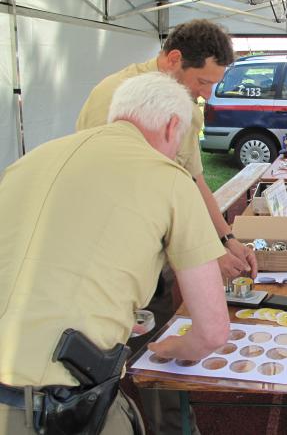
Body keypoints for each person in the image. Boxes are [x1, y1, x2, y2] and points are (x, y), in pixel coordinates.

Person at [0, 72, 230, 434]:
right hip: (63, 407)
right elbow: (213, 332)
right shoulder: (168, 177)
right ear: (173, 127)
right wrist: (168, 348)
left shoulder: (28, 161)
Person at [76, 19, 253, 434]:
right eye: (203, 81)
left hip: (151, 257)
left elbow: (191, 177)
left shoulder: (181, 104)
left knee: (160, 348)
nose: (207, 93)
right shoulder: (112, 97)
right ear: (174, 60)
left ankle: (171, 424)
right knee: (109, 363)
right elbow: (127, 197)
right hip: (113, 264)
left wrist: (226, 238)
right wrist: (204, 252)